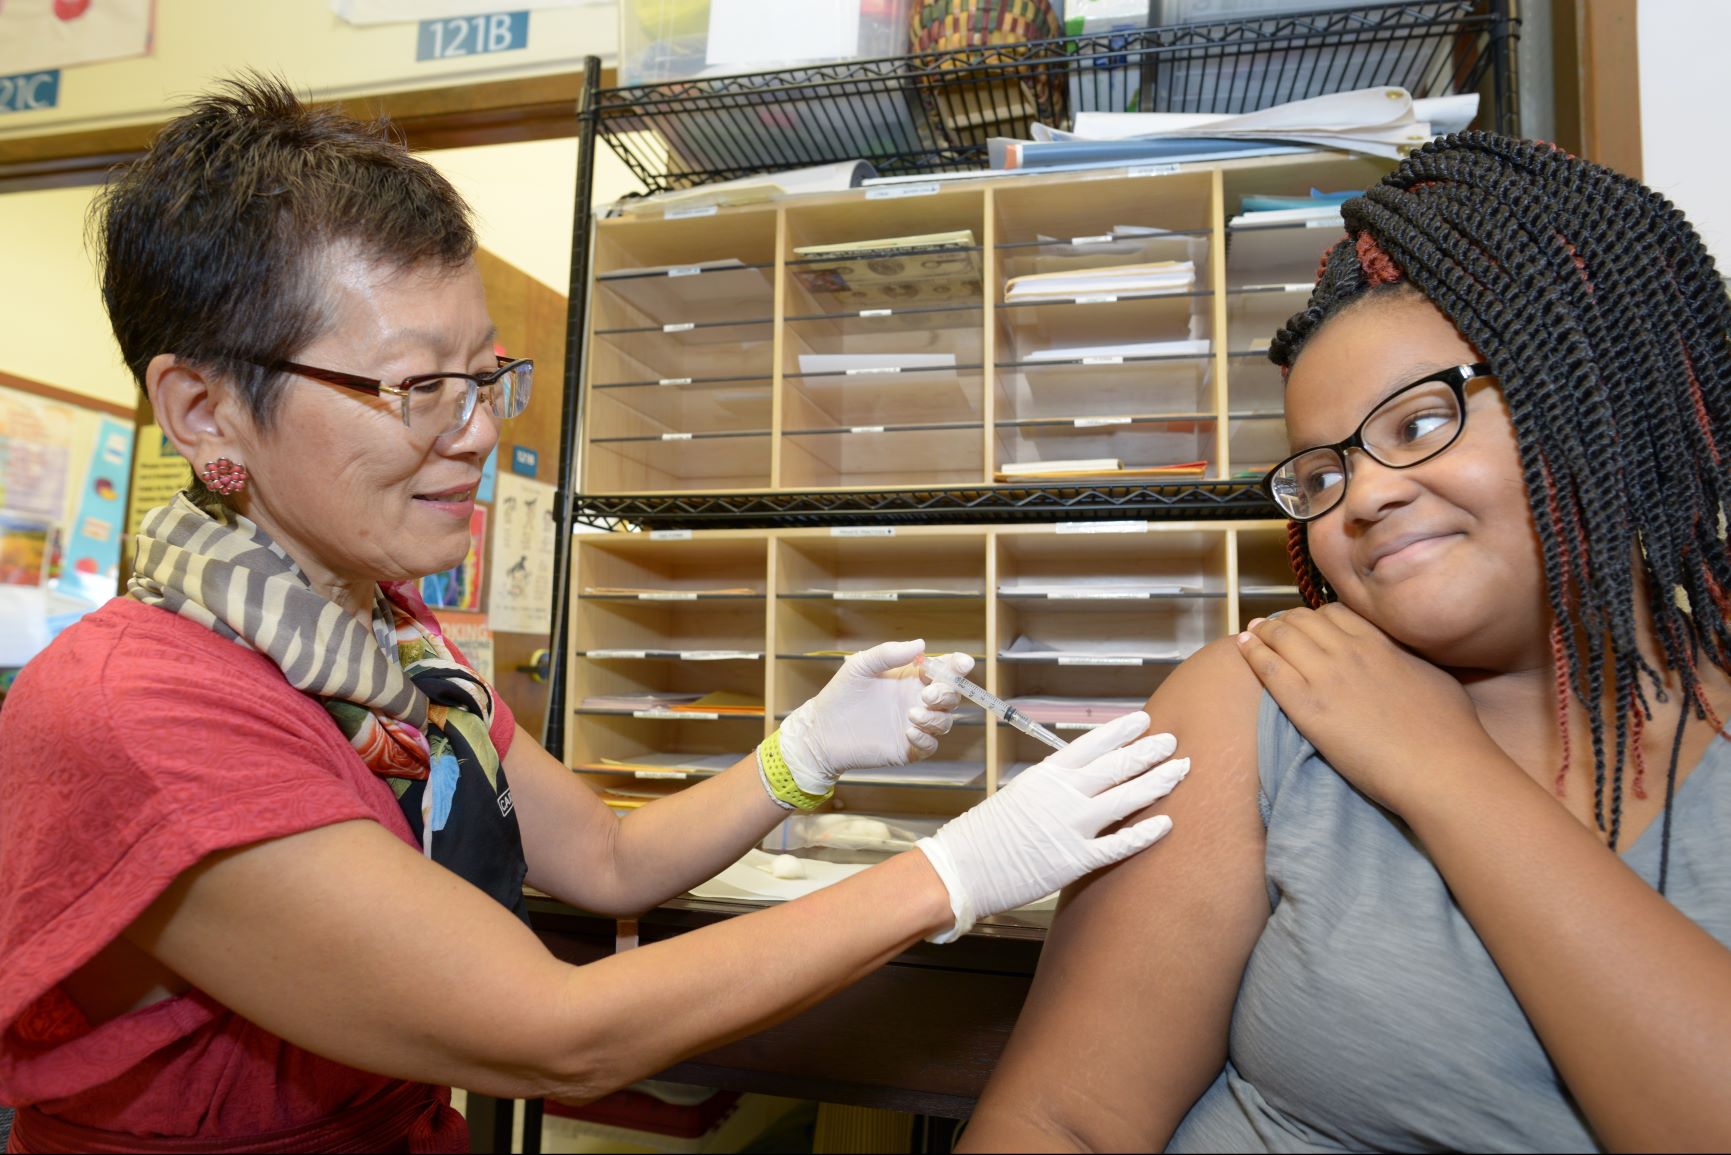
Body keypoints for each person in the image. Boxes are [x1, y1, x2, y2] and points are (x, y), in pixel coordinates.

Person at [0, 77, 1191, 1154]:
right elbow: (559, 1033)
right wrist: (966, 866)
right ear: (203, 412)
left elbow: (612, 861)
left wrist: (808, 751)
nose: (476, 431)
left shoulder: (384, 639)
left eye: (485, 379)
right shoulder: (143, 714)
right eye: (418, 388)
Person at [961, 134, 1731, 1152]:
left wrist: (1442, 770)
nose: (1363, 496)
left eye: (1418, 425)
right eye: (1320, 476)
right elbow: (1061, 1122)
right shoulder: (1264, 698)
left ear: (1596, 392)